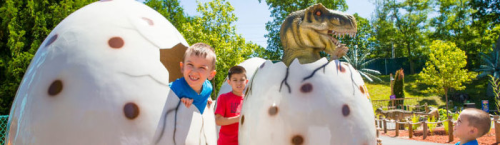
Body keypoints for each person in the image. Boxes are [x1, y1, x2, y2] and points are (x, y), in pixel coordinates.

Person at [169, 43, 217, 114]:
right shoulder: (173, 88)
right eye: (190, 65)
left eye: (202, 68)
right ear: (182, 67)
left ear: (211, 74)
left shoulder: (208, 88)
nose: (194, 72)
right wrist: (177, 102)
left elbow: (204, 93)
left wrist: (207, 98)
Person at [215, 66, 248, 145]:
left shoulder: (248, 100)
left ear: (246, 81)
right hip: (225, 142)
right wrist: (238, 118)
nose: (239, 83)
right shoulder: (224, 98)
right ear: (229, 82)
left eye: (242, 80)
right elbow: (218, 120)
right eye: (235, 80)